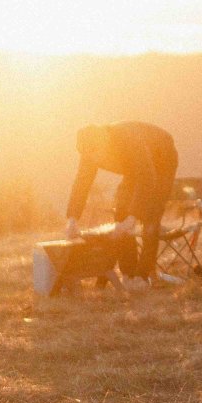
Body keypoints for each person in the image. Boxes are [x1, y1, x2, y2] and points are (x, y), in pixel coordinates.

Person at [64, 122, 179, 289]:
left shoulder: (127, 140)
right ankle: (129, 274)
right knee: (120, 214)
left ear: (104, 143)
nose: (94, 159)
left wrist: (132, 218)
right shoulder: (89, 150)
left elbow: (147, 178)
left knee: (151, 216)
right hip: (134, 168)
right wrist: (72, 219)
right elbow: (82, 183)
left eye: (96, 154)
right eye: (88, 155)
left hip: (162, 158)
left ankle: (142, 276)